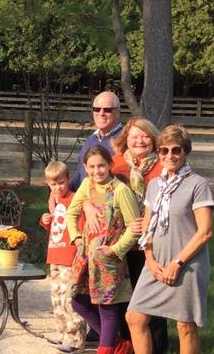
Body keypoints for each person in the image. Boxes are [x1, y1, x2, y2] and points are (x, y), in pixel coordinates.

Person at [126, 126, 214, 354]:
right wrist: (150, 260)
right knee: (135, 317)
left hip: (187, 265)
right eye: (163, 151)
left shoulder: (198, 184)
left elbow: (205, 232)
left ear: (185, 152)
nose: (169, 156)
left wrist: (177, 263)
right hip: (155, 263)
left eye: (176, 150)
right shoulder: (155, 185)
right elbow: (147, 226)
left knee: (185, 326)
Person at [67, 145, 141, 354]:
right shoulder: (86, 185)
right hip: (86, 257)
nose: (96, 171)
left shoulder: (120, 190)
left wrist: (115, 250)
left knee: (107, 306)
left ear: (110, 165)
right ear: (85, 167)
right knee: (77, 301)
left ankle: (106, 349)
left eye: (101, 166)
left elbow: (133, 228)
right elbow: (71, 214)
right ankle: (119, 344)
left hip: (109, 259)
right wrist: (77, 238)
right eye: (91, 167)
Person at [108, 118, 168, 354]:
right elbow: (94, 189)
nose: (139, 141)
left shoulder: (163, 166)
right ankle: (130, 346)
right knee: (124, 298)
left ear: (153, 140)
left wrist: (149, 218)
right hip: (121, 243)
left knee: (153, 299)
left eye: (144, 136)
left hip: (153, 243)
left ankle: (158, 347)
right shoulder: (115, 164)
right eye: (134, 137)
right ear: (126, 141)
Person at [39, 161, 88, 353]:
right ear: (47, 184)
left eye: (61, 183)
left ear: (69, 179)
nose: (58, 187)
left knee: (70, 299)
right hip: (55, 255)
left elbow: (81, 229)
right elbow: (57, 228)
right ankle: (63, 333)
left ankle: (75, 340)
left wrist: (80, 255)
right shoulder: (55, 202)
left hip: (70, 257)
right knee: (56, 298)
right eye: (53, 184)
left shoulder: (76, 200)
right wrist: (45, 221)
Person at [70, 91, 124, 191]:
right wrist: (59, 192)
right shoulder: (90, 140)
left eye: (107, 110)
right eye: (97, 109)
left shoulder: (126, 141)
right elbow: (80, 174)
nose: (101, 113)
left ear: (117, 113)